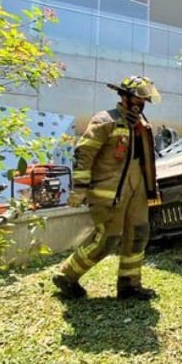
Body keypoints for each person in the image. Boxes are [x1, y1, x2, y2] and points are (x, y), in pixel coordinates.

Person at [52, 76, 161, 300]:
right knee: (107, 239)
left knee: (139, 234)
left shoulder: (142, 126)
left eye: (144, 101)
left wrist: (151, 189)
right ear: (124, 97)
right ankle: (67, 275)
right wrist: (79, 189)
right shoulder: (105, 120)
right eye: (138, 99)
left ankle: (130, 285)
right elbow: (84, 154)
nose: (141, 105)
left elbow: (146, 161)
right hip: (109, 192)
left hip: (137, 190)